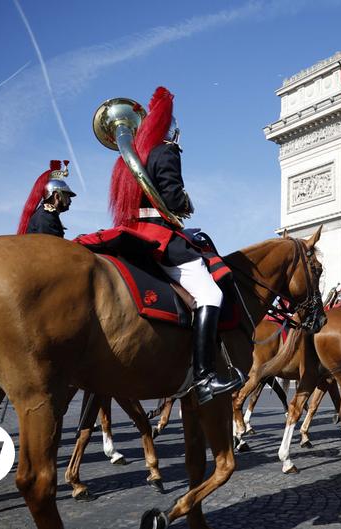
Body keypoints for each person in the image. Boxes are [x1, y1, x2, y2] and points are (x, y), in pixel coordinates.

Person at [109, 86, 242, 404]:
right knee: (211, 293)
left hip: (130, 235)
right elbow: (170, 196)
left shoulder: (127, 159)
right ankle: (205, 376)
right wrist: (185, 202)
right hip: (157, 235)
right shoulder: (165, 150)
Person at [17, 160, 76, 237]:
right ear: (57, 196)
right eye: (67, 196)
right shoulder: (46, 216)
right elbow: (50, 246)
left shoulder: (47, 214)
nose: (70, 200)